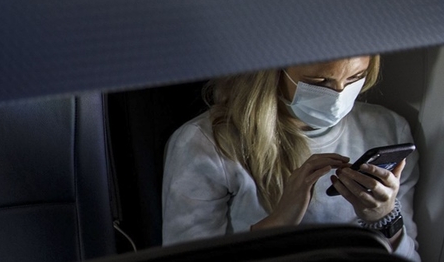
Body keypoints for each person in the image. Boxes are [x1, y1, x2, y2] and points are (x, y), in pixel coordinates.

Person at [162, 55, 420, 261]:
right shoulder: (206, 144)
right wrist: (279, 224)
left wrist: (383, 217)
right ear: (272, 71)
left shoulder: (387, 128)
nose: (338, 96)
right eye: (319, 82)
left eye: (356, 77)